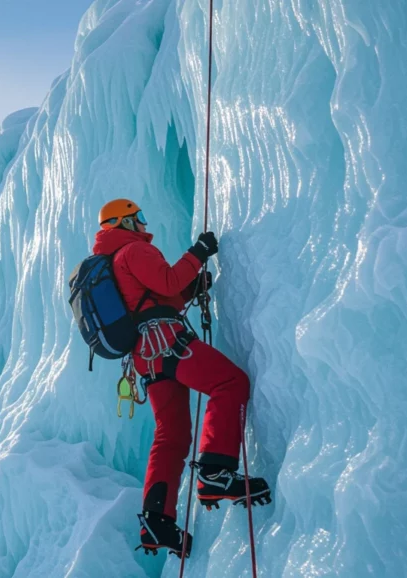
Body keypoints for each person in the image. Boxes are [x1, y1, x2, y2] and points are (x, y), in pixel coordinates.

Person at [91, 199, 271, 557]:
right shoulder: (133, 251)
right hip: (166, 341)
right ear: (123, 223)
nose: (144, 224)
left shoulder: (116, 261)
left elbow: (161, 294)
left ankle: (156, 521)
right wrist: (198, 252)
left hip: (145, 357)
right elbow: (169, 278)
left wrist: (191, 289)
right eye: (138, 218)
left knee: (171, 435)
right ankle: (216, 471)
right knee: (229, 383)